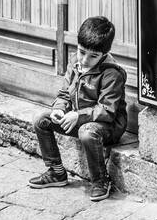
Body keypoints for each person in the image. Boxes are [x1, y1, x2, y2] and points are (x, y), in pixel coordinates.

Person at [28, 16, 128, 201]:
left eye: (93, 56)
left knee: (86, 132)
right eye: (82, 52)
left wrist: (78, 116)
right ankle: (56, 172)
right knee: (41, 118)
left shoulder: (111, 74)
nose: (84, 59)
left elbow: (107, 110)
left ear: (104, 54)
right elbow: (65, 93)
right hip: (78, 118)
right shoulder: (75, 62)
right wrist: (59, 108)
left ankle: (100, 181)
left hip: (107, 126)